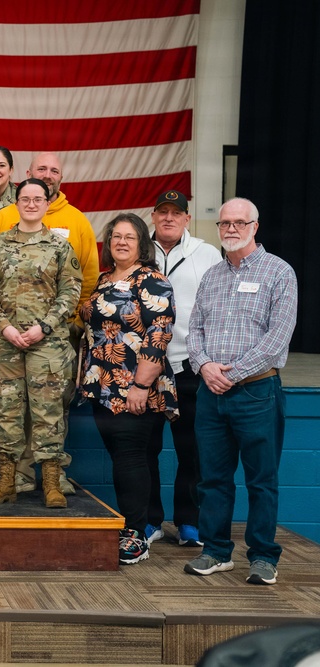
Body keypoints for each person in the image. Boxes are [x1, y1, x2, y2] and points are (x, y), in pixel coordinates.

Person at [183, 197, 298, 586]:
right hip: (210, 395)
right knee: (212, 479)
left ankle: (264, 557)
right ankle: (215, 551)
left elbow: (277, 338)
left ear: (255, 226)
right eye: (224, 223)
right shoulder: (212, 276)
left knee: (261, 480)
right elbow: (194, 329)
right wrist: (202, 365)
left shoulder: (279, 272)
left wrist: (232, 374)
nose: (230, 229)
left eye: (239, 222)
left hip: (257, 392)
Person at [0, 151, 98, 496]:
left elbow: (71, 291)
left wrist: (42, 327)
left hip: (48, 343)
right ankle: (7, 482)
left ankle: (50, 483)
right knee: (8, 413)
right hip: (5, 342)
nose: (31, 204)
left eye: (37, 199)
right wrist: (4, 327)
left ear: (47, 204)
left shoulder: (60, 247)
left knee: (48, 415)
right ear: (16, 203)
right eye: (25, 199)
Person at [78, 213, 178, 565]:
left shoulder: (152, 280)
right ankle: (145, 523)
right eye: (116, 236)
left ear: (142, 244)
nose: (121, 242)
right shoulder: (105, 279)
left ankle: (136, 534)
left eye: (130, 237)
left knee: (130, 458)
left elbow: (159, 334)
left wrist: (140, 385)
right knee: (129, 457)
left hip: (136, 386)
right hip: (103, 386)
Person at [147, 190, 222, 547]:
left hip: (187, 364)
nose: (169, 218)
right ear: (153, 216)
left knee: (191, 449)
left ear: (187, 219)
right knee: (145, 447)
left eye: (176, 213)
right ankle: (150, 521)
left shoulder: (206, 253)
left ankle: (188, 522)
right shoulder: (139, 249)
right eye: (163, 212)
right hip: (144, 367)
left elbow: (217, 308)